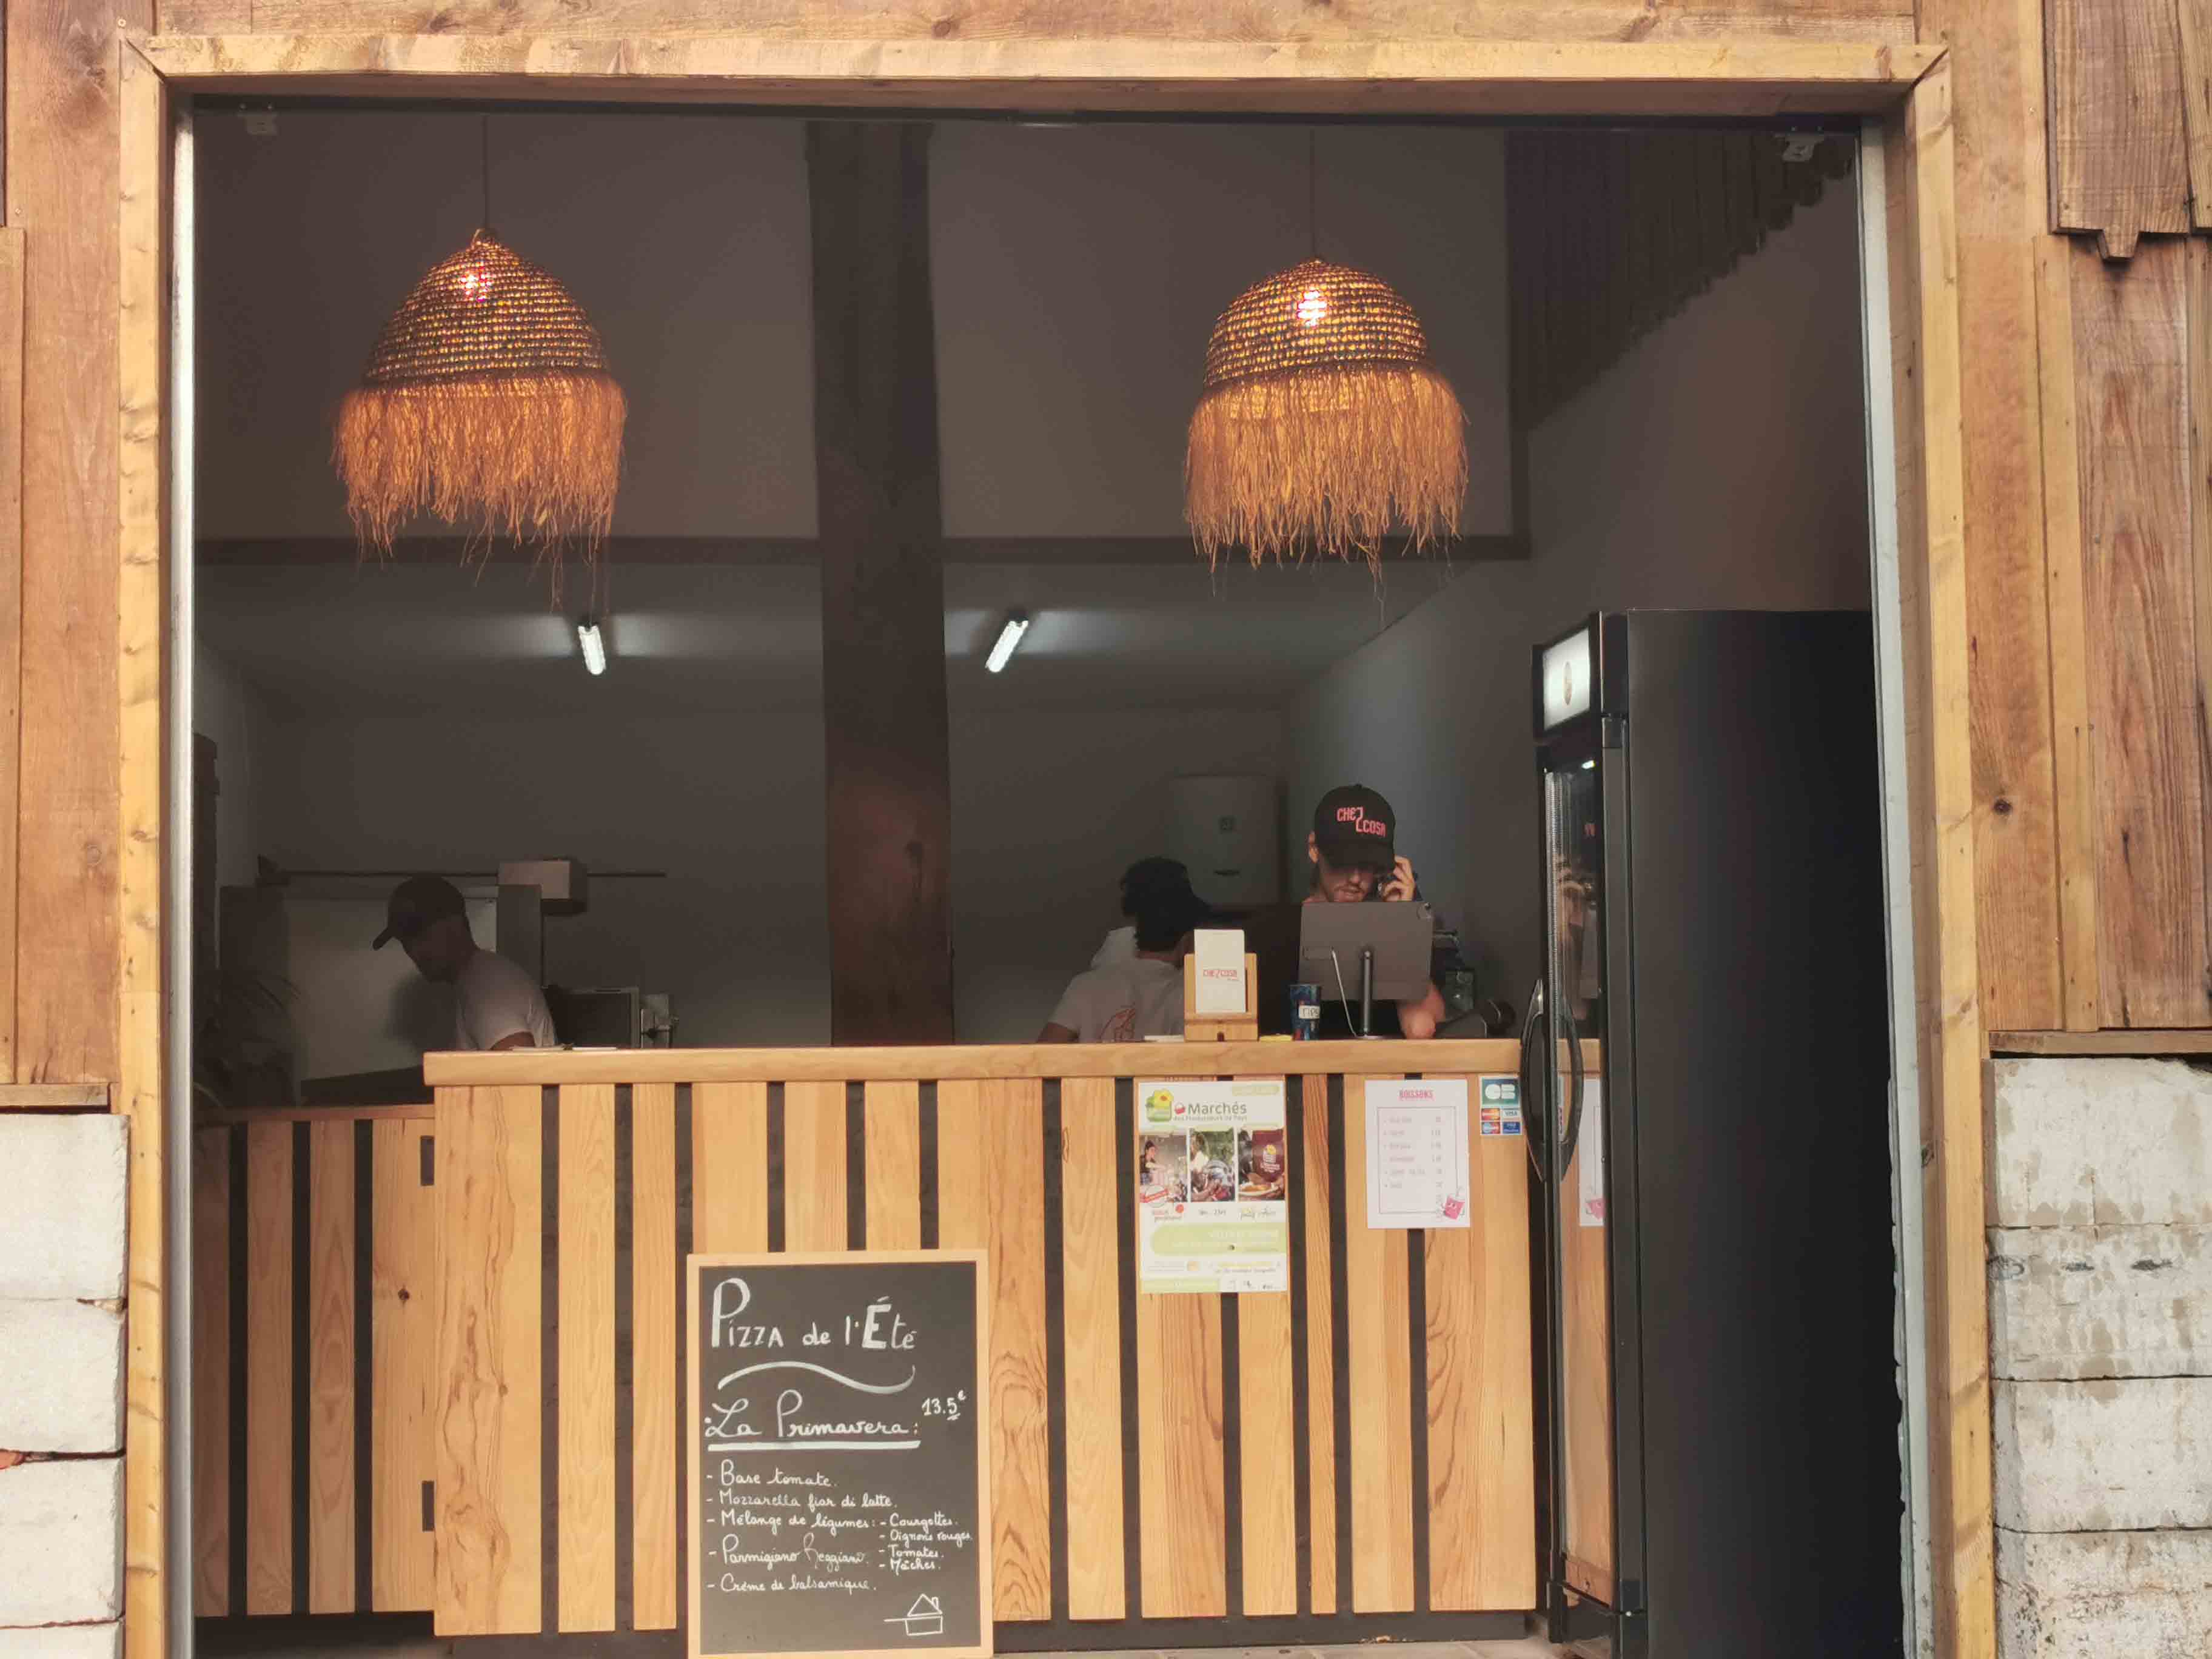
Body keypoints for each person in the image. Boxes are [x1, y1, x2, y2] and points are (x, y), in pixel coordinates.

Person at [1252, 784, 1448, 1040]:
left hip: (1382, 1066)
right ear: (1314, 849)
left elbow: (1422, 1028)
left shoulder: (1400, 933)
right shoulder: (1271, 934)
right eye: (1343, 862)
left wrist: (1399, 923)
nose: (1355, 878)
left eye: (1367, 865)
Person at [374, 874, 556, 1051]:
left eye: (421, 934)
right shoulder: (476, 978)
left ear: (455, 925)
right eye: (405, 940)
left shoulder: (486, 984)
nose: (414, 951)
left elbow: (518, 1067)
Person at [1041, 859, 1213, 1042]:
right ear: (1187, 940)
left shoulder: (1086, 986)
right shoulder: (1194, 996)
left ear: (1135, 929)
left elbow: (1042, 1053)